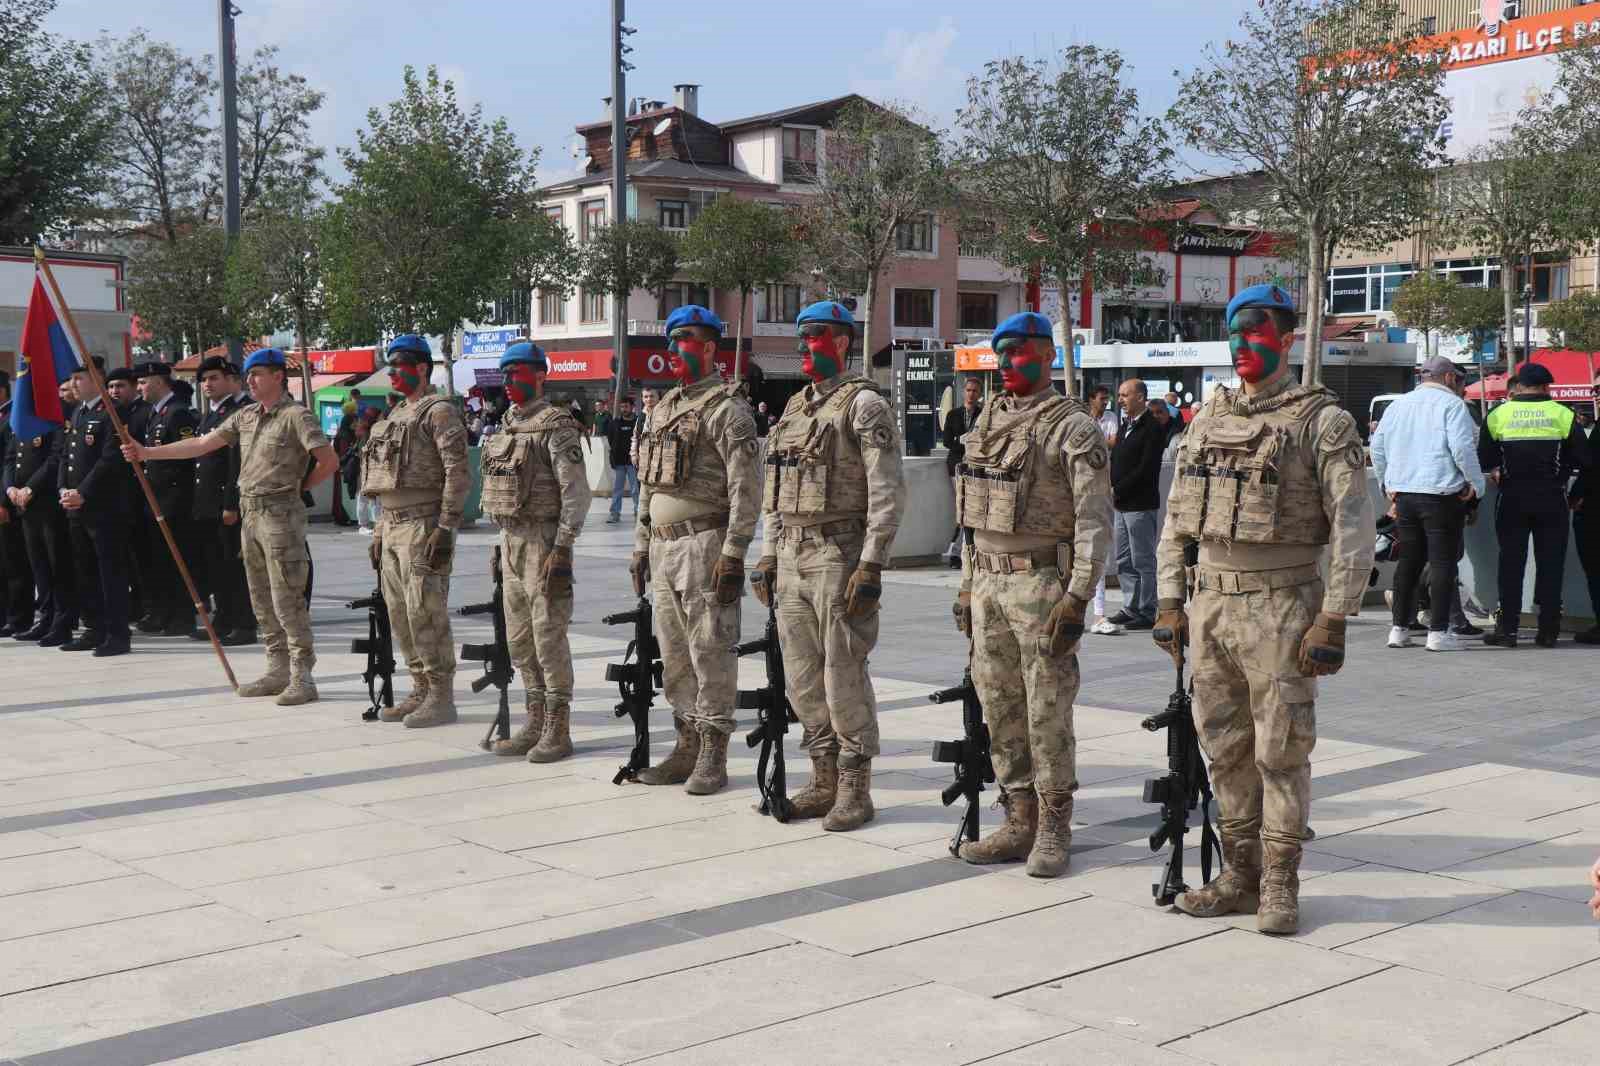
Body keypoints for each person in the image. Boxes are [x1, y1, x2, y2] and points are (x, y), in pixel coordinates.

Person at [1154, 283, 1373, 935]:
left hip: (1282, 606)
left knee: (1281, 752)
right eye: (1234, 331)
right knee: (1223, 749)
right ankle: (1239, 873)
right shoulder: (1206, 418)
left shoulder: (1321, 421)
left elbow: (1354, 524)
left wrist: (1334, 616)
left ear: (1285, 339)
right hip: (1212, 603)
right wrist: (1169, 597)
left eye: (1257, 331)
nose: (1243, 344)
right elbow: (1177, 517)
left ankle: (1280, 883)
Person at [949, 312, 1112, 876]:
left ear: (1046, 356)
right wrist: (968, 587)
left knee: (1046, 711)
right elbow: (971, 518)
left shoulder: (1073, 427)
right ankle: (1018, 818)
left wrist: (1078, 598)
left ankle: (1054, 825)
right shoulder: (987, 419)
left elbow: (1094, 520)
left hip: (1041, 585)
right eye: (1002, 353)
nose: (1008, 363)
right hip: (990, 581)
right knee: (998, 707)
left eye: (1019, 352)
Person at [751, 300, 906, 830]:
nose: (804, 346)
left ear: (841, 341)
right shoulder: (795, 408)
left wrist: (872, 565)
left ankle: (855, 787)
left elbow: (887, 491)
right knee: (801, 679)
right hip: (792, 555)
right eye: (801, 336)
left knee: (843, 674)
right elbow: (776, 491)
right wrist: (768, 553)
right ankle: (822, 779)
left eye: (814, 335)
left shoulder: (863, 405)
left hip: (839, 555)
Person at [123, 348, 337, 702]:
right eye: (249, 375)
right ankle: (276, 669)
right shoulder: (247, 416)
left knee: (287, 597)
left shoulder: (297, 416)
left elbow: (328, 461)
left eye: (258, 375)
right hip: (250, 514)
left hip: (280, 514)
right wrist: (147, 453)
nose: (251, 381)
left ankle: (302, 676)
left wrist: (296, 488)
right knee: (260, 596)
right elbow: (203, 444)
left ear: (278, 377)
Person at [629, 305, 759, 795]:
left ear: (708, 348)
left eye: (685, 340)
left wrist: (734, 552)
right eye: (671, 340)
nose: (674, 350)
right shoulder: (662, 408)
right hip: (664, 550)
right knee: (675, 655)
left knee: (710, 651)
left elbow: (747, 489)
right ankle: (685, 744)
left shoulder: (728, 408)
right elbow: (648, 483)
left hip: (705, 544)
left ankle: (712, 752)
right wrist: (640, 544)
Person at [480, 342, 591, 760]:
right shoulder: (507, 424)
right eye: (506, 375)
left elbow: (576, 494)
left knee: (548, 637)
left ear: (540, 376)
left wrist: (562, 550)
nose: (510, 382)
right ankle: (535, 720)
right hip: (511, 542)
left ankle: (558, 729)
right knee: (520, 639)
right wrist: (499, 544)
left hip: (544, 543)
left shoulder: (557, 426)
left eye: (519, 374)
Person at [364, 334, 471, 727]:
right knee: (399, 613)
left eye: (400, 366)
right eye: (390, 366)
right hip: (392, 525)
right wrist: (378, 531)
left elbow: (458, 472)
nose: (392, 373)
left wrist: (445, 527)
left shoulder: (439, 411)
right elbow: (383, 480)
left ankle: (441, 696)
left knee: (425, 610)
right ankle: (420, 688)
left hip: (423, 524)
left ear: (422, 368)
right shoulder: (393, 416)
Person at [1371, 355, 1485, 653]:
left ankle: (1399, 630)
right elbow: (1462, 448)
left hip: (1405, 495)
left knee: (1408, 562)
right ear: (1448, 377)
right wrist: (1476, 484)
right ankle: (1438, 632)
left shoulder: (1397, 406)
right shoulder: (1452, 406)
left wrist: (1387, 485)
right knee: (1443, 563)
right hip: (1441, 495)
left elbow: (1378, 447)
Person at [1478, 361, 1590, 648]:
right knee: (1551, 564)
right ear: (1546, 387)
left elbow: (1484, 458)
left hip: (1512, 497)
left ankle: (1508, 630)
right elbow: (1583, 460)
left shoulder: (1498, 414)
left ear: (1520, 386)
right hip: (1552, 498)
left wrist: (1498, 469)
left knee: (1511, 564)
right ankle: (1548, 631)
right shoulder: (1562, 414)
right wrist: (1563, 473)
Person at [59, 356, 136, 657]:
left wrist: (83, 492)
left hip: (105, 508)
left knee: (110, 572)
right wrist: (63, 488)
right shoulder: (79, 412)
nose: (73, 385)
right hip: (77, 507)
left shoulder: (112, 412)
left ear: (96, 379)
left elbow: (110, 459)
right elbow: (67, 457)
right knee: (85, 570)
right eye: (73, 379)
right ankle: (94, 628)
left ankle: (117, 633)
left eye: (79, 379)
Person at [4, 373, 76, 645]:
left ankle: (62, 620)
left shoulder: (55, 422)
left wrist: (30, 488)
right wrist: (10, 488)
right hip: (25, 507)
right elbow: (11, 459)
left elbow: (56, 457)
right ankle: (45, 617)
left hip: (46, 504)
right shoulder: (21, 423)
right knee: (39, 567)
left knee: (58, 565)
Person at [131, 361, 200, 636]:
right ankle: (165, 612)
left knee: (177, 560)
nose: (139, 388)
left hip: (175, 501)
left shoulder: (178, 413)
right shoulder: (155, 413)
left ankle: (182, 616)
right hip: (156, 499)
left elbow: (187, 456)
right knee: (160, 561)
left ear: (158, 382)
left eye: (142, 382)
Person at [190, 356, 254, 646]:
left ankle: (243, 624)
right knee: (216, 567)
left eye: (214, 378)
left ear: (232, 380)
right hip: (208, 504)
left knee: (234, 568)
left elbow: (236, 463)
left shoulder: (239, 412)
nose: (207, 384)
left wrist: (232, 503)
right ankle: (224, 619)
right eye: (204, 379)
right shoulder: (211, 414)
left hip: (226, 505)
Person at [1108, 379, 1163, 630]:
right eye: (1119, 395)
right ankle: (1130, 607)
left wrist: (1117, 488)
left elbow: (1145, 469)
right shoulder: (1124, 425)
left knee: (1143, 560)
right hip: (1121, 505)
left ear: (1140, 397)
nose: (1120, 399)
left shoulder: (1152, 427)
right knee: (1123, 559)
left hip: (1140, 505)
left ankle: (1148, 609)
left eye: (1125, 395)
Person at [0, 372, 35, 637]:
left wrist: (3, 501)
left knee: (13, 562)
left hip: (6, 503)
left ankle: (18, 617)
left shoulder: (12, 418)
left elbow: (7, 464)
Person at [1086, 385, 1121, 635]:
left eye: (1108, 399)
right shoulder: (1081, 419)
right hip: (1080, 490)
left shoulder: (1111, 419)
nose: (1106, 403)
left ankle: (1099, 614)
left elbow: (1112, 444)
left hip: (1103, 489)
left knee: (1099, 552)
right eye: (1102, 399)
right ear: (1091, 400)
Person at [942, 376, 983, 569]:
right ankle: (957, 552)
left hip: (976, 467)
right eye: (968, 390)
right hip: (957, 467)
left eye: (975, 391)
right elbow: (948, 441)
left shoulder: (983, 414)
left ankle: (960, 551)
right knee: (964, 508)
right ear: (963, 392)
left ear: (979, 394)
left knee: (971, 509)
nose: (971, 394)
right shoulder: (953, 414)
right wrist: (963, 440)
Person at [1575, 384, 1600, 645]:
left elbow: (1591, 466)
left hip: (1594, 511)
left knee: (1595, 569)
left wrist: (1575, 497)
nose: (1596, 394)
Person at [605, 395, 639, 524]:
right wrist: (612, 457)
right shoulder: (614, 423)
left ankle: (638, 512)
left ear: (632, 407)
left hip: (634, 462)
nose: (623, 409)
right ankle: (615, 513)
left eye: (626, 406)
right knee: (617, 489)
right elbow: (610, 440)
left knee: (635, 489)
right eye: (622, 407)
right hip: (618, 462)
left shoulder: (638, 422)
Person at [354, 409, 382, 534]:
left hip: (369, 471)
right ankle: (364, 524)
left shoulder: (369, 433)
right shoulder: (368, 434)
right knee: (365, 498)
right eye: (379, 417)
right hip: (367, 471)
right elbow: (364, 454)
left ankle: (373, 523)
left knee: (373, 499)